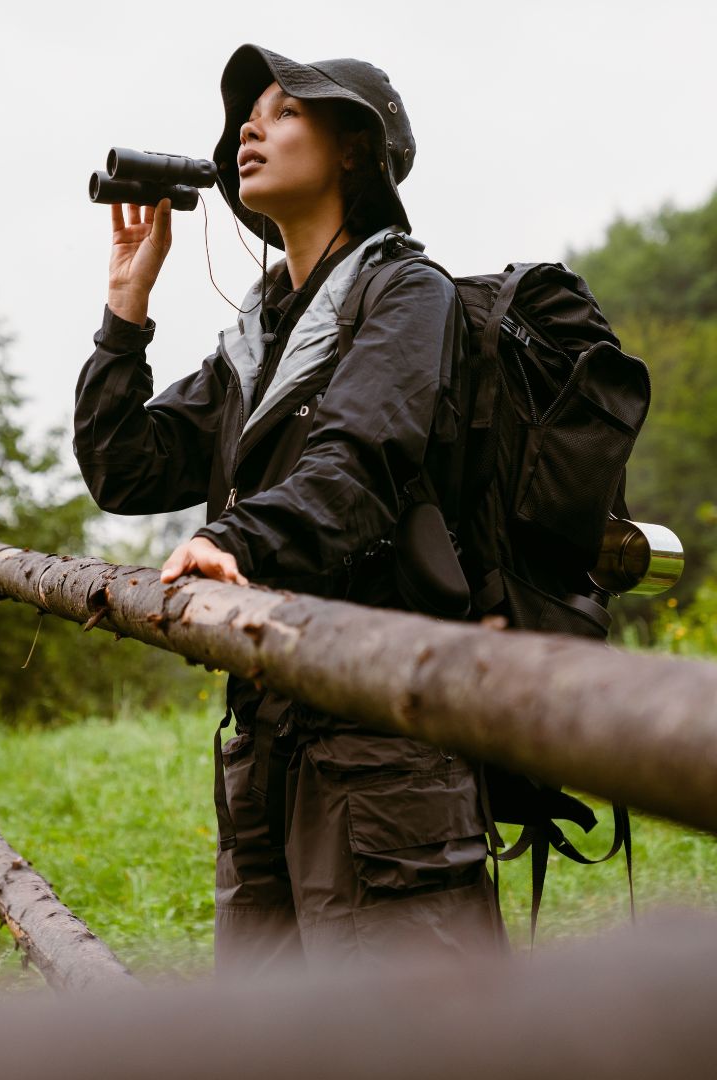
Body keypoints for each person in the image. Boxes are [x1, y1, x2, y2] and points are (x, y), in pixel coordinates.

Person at [71, 44, 504, 974]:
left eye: (285, 110)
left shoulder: (405, 294)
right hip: (266, 739)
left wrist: (233, 537)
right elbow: (126, 468)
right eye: (247, 115)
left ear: (354, 148)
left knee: (407, 1042)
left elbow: (360, 464)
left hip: (385, 744)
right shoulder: (260, 335)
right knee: (264, 1042)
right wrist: (126, 308)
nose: (250, 128)